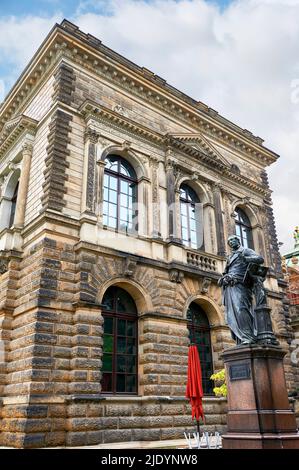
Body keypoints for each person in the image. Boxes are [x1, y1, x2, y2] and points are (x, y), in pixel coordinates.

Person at [218, 235, 264, 345]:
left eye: (233, 240)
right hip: (230, 285)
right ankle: (242, 338)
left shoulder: (245, 251)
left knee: (241, 309)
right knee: (231, 314)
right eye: (229, 242)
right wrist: (223, 278)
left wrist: (246, 258)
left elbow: (260, 259)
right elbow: (227, 271)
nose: (231, 243)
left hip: (242, 284)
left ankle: (249, 337)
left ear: (238, 240)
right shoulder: (230, 257)